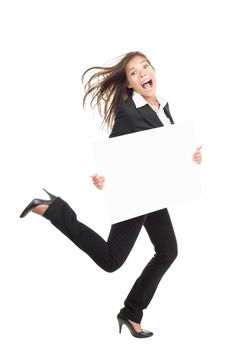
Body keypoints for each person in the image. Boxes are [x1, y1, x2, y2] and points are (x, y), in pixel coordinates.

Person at [20, 51, 202, 338]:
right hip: (137, 194)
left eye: (145, 66)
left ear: (154, 70)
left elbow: (162, 151)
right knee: (110, 260)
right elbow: (113, 153)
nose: (142, 73)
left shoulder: (163, 107)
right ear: (129, 84)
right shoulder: (129, 111)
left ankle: (131, 313)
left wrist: (190, 158)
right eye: (133, 72)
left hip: (156, 191)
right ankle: (54, 210)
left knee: (168, 251)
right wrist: (105, 177)